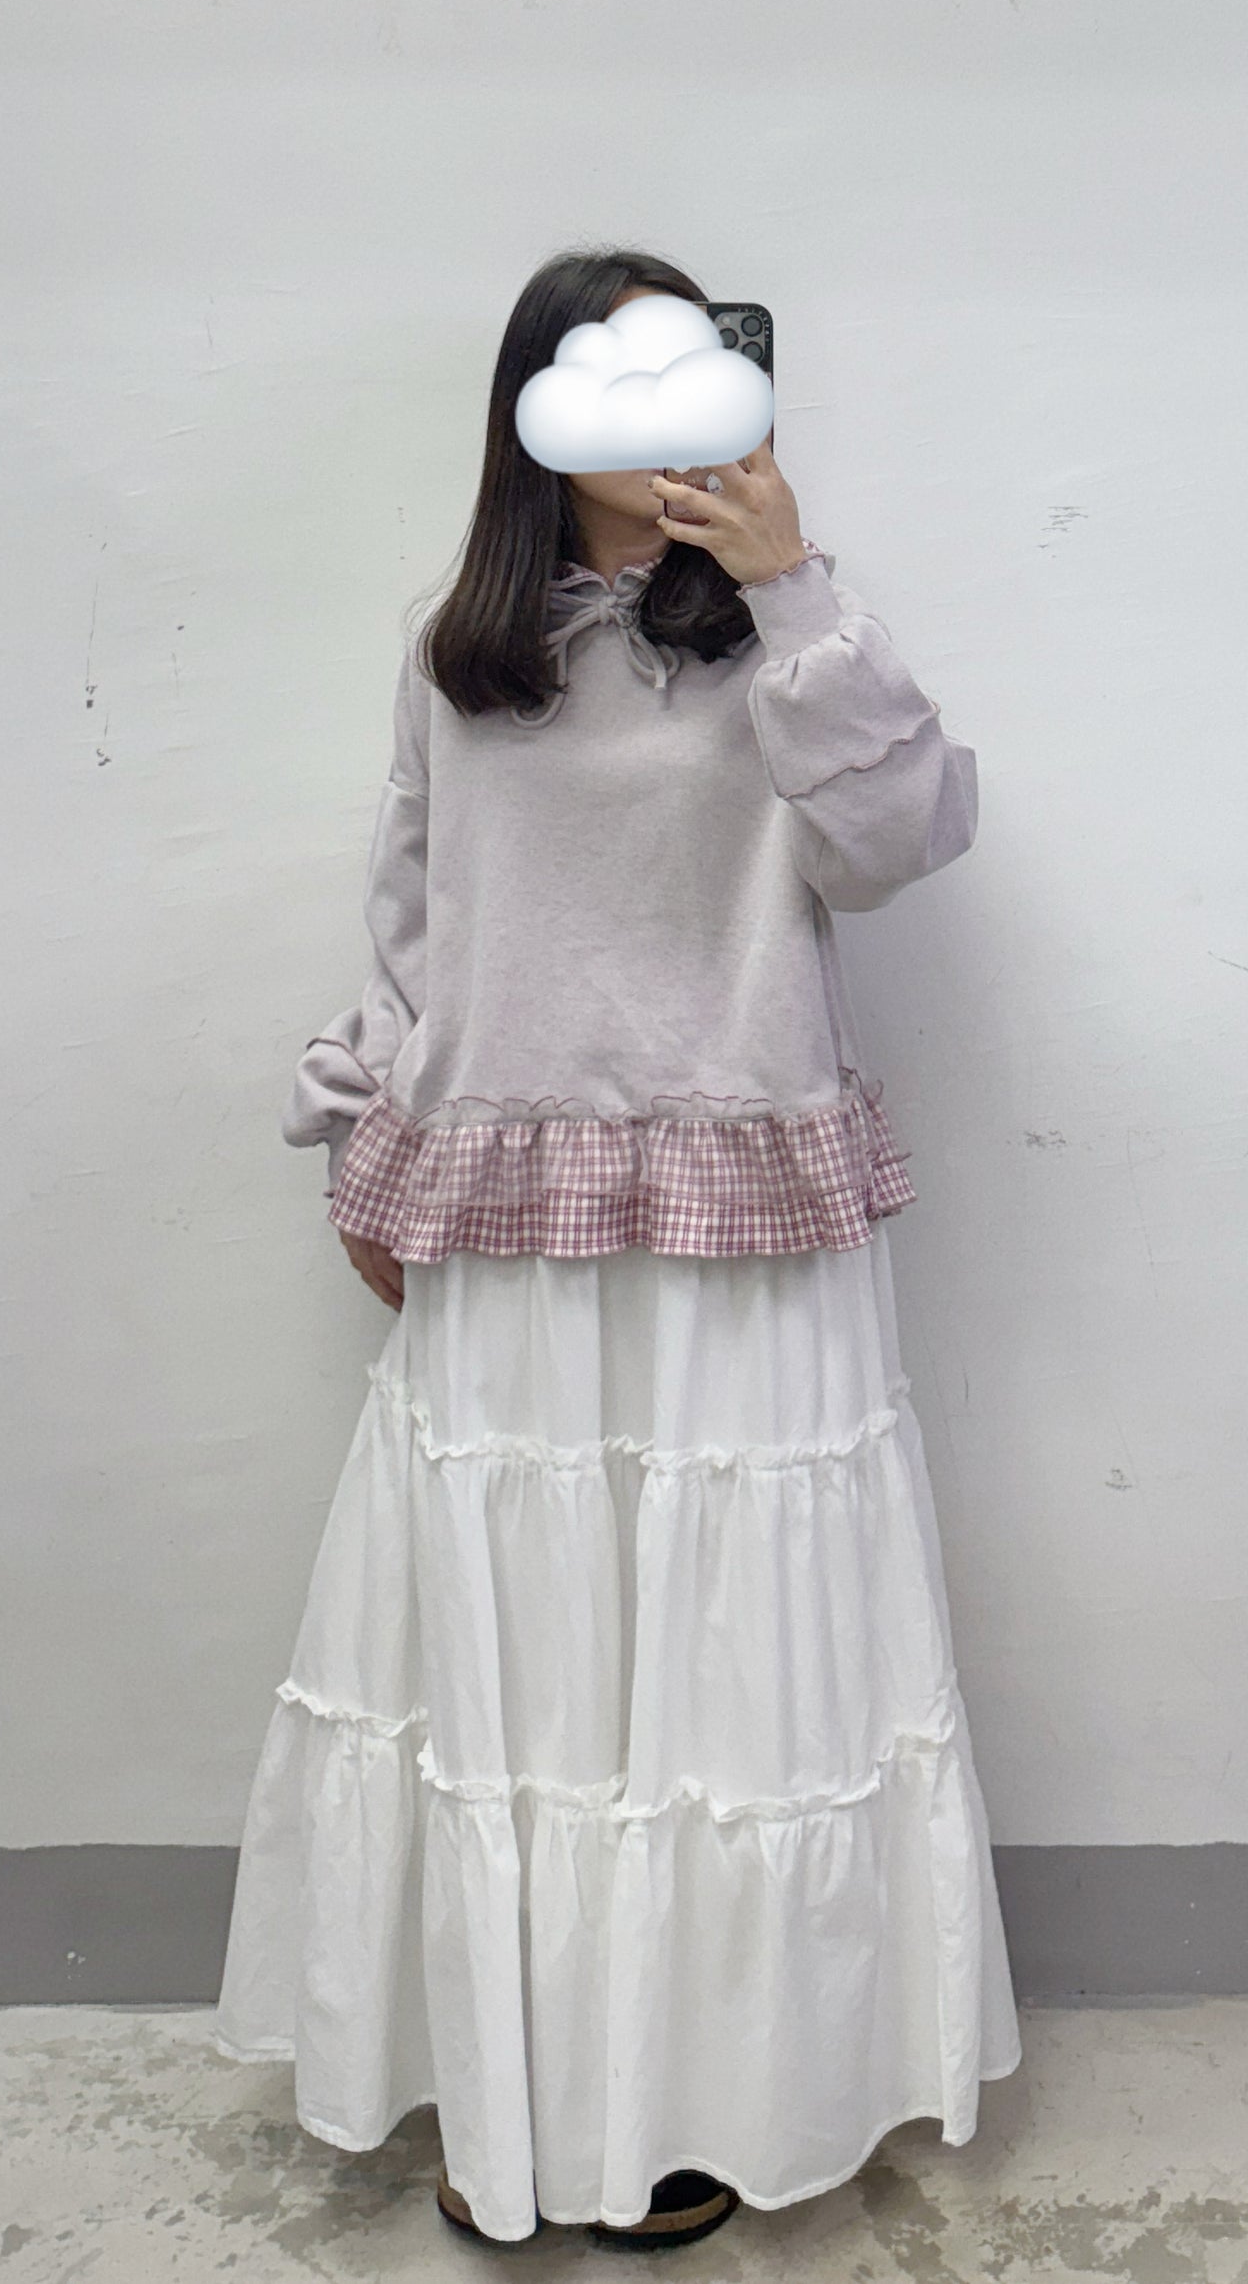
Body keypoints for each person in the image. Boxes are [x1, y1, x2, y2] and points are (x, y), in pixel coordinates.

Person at [211, 247, 1023, 2247]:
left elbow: (900, 842)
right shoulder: (458, 653)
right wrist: (374, 1149)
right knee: (524, 1665)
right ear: (534, 409)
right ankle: (518, 2089)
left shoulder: (788, 634)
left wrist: (792, 582)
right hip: (509, 1206)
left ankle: (700, 2097)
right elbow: (415, 922)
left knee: (729, 1675)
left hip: (741, 1201)